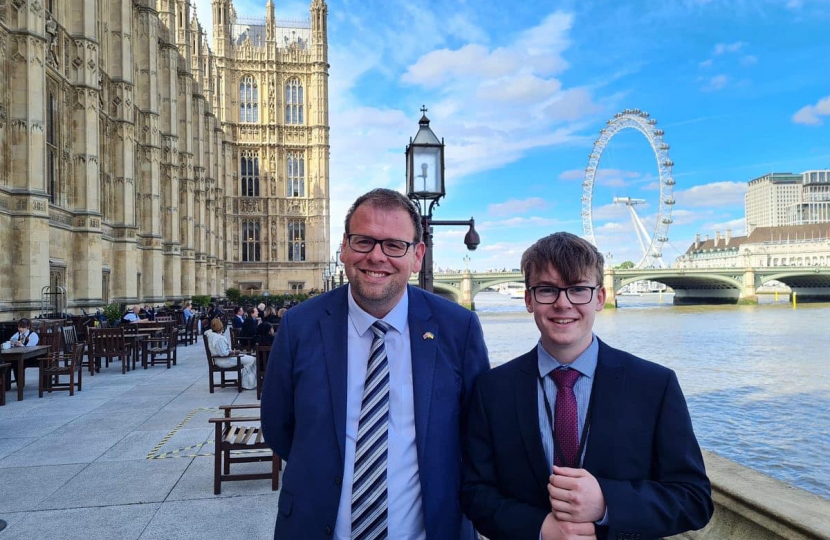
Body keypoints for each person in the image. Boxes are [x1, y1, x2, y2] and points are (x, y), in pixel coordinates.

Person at [261, 188, 490, 540]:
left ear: (418, 256)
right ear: (344, 248)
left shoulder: (458, 329)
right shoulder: (299, 326)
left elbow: (477, 433)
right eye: (363, 241)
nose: (377, 256)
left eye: (394, 245)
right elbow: (279, 426)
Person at [460, 232, 713, 540]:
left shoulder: (655, 385)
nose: (562, 303)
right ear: (529, 299)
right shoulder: (492, 390)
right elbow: (475, 493)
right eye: (547, 290)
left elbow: (694, 499)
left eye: (578, 289)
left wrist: (607, 502)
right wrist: (540, 529)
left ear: (600, 298)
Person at [204, 317, 256, 389]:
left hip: (222, 359)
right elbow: (223, 353)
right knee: (252, 360)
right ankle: (245, 383)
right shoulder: (218, 338)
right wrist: (234, 352)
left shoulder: (212, 335)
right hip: (225, 360)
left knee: (250, 358)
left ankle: (242, 380)